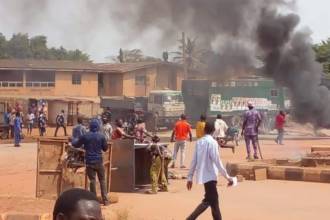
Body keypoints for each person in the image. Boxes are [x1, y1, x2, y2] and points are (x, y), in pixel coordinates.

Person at [186, 121, 234, 220]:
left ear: (204, 130)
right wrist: (228, 177)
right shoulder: (212, 143)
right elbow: (217, 161)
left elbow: (194, 160)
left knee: (213, 201)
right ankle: (190, 218)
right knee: (209, 200)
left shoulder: (199, 142)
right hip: (211, 176)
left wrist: (190, 177)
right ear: (214, 131)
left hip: (204, 176)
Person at [72, 119, 110, 206]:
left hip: (89, 162)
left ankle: (94, 200)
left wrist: (72, 140)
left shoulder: (85, 136)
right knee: (102, 180)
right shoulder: (101, 136)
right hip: (99, 162)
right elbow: (105, 148)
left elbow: (76, 144)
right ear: (98, 127)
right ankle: (105, 200)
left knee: (92, 181)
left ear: (90, 126)